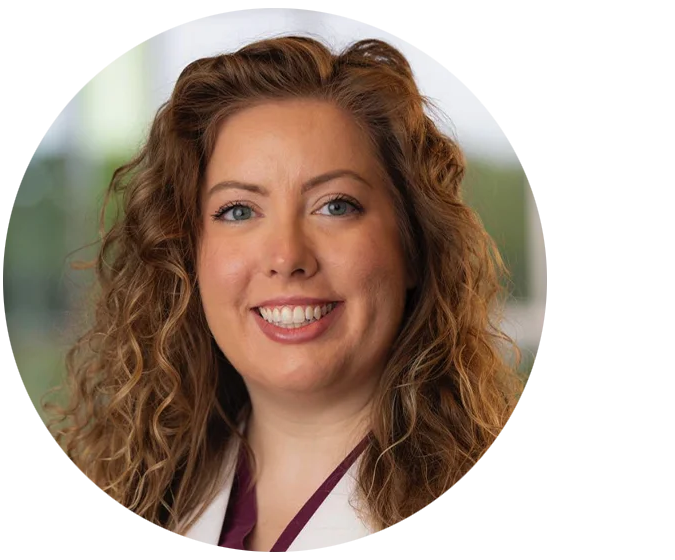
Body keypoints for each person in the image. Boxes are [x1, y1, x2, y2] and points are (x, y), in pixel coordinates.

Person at [45, 35, 524, 552]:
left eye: (335, 205)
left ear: (411, 244)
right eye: (238, 211)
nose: (286, 255)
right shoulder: (130, 499)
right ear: (188, 259)